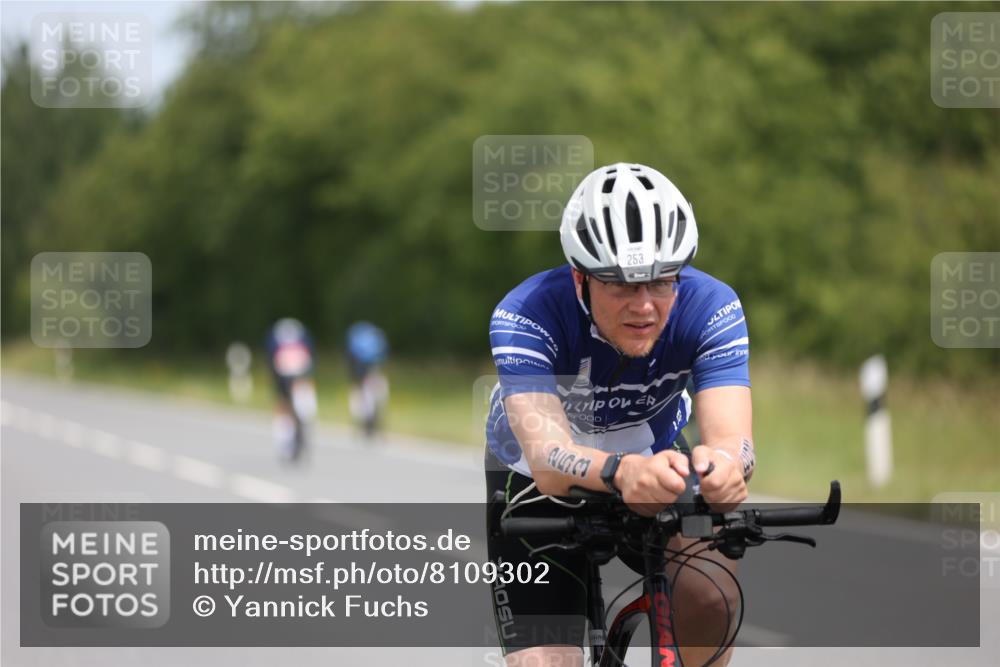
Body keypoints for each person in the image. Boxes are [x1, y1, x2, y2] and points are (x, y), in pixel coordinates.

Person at [485, 163, 756, 667]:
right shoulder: (527, 314)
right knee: (547, 661)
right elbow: (548, 457)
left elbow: (731, 439)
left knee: (711, 596)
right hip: (536, 478)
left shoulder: (712, 305)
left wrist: (727, 467)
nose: (645, 306)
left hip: (653, 457)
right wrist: (620, 471)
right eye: (621, 286)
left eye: (661, 282)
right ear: (579, 278)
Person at [265, 317, 317, 461]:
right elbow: (311, 357)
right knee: (291, 406)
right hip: (297, 376)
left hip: (286, 376)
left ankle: (285, 440)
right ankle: (294, 434)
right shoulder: (302, 337)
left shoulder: (276, 339)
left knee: (284, 406)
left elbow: (271, 360)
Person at [345, 321, 389, 437]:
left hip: (363, 373)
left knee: (365, 398)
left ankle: (367, 423)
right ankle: (370, 423)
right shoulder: (375, 337)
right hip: (369, 372)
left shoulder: (356, 337)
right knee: (372, 398)